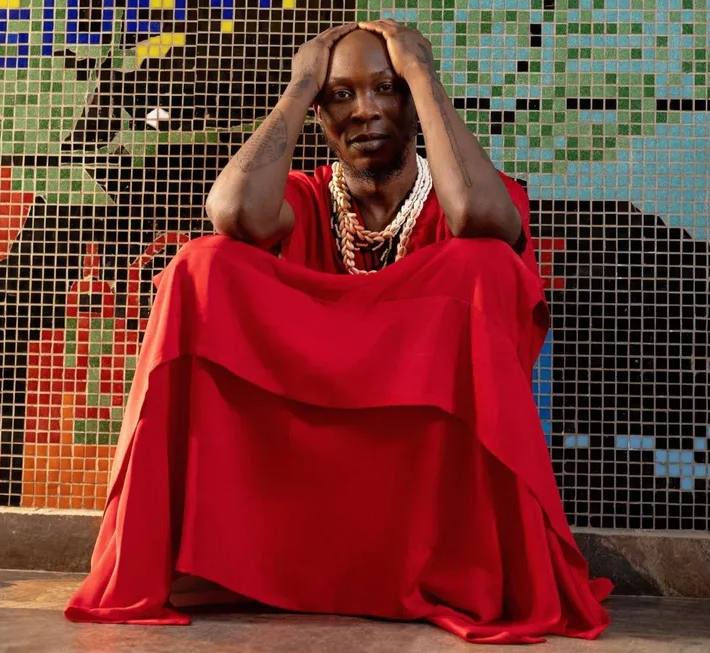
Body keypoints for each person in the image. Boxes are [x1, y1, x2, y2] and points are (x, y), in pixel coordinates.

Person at [65, 21, 612, 644]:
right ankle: (236, 558)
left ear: (413, 101)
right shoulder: (302, 199)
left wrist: (423, 75)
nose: (365, 110)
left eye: (386, 88)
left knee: (484, 262)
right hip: (300, 466)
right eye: (341, 94)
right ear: (321, 115)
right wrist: (300, 86)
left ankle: (459, 569)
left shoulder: (471, 194)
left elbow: (479, 216)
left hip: (424, 483)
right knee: (202, 264)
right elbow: (233, 213)